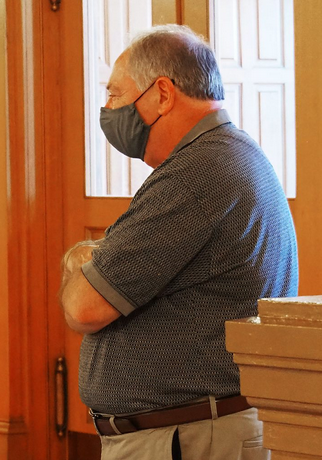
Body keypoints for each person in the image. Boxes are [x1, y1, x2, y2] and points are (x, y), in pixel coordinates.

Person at [59, 25, 297, 460]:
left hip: (188, 438)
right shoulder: (223, 155)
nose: (107, 109)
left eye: (115, 94)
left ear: (162, 94)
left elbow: (84, 307)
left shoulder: (197, 172)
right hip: (189, 432)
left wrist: (86, 262)